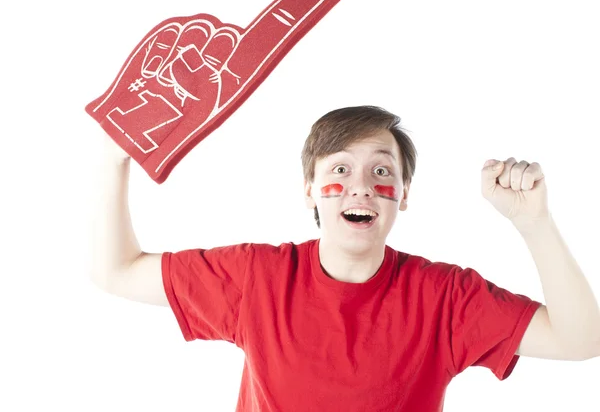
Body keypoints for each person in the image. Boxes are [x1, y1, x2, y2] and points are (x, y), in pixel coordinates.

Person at [90, 105, 600, 411]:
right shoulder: (256, 277)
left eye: (382, 172)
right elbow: (115, 271)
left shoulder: (445, 297)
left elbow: (582, 341)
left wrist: (535, 225)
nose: (361, 186)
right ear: (310, 191)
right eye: (340, 169)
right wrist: (114, 160)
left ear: (402, 195)